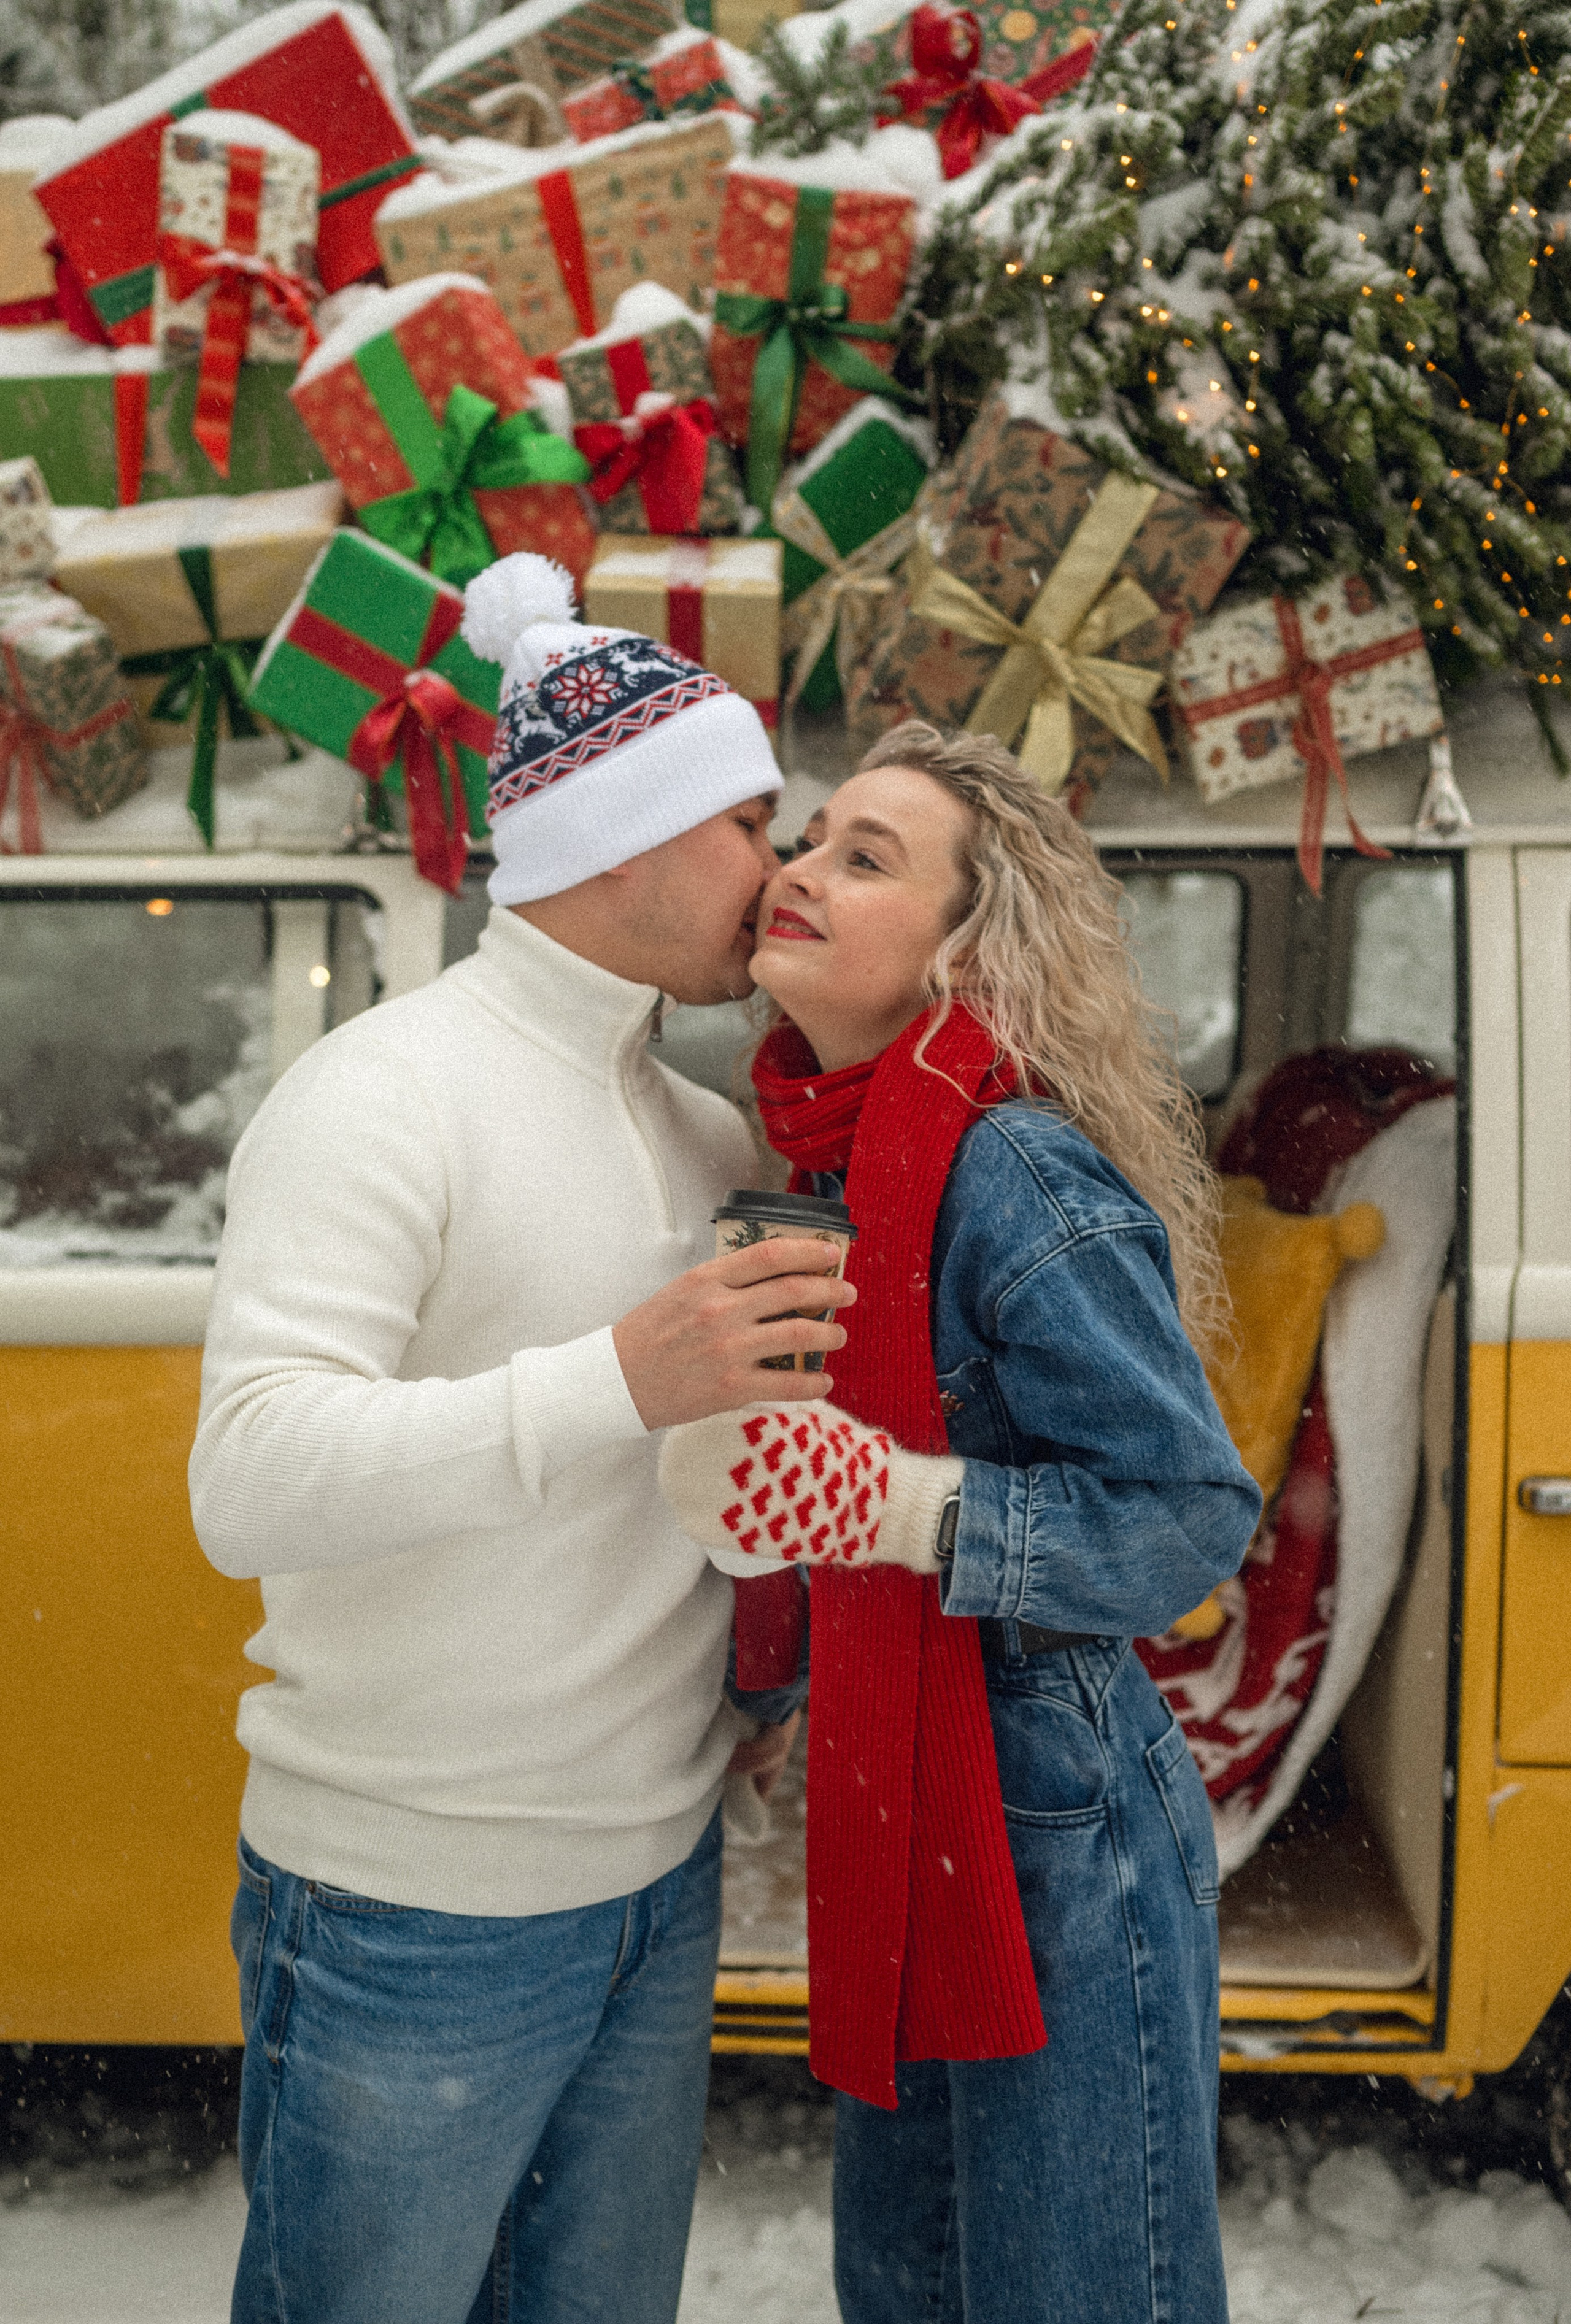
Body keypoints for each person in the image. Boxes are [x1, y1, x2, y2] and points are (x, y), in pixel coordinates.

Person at [189, 555, 843, 2324]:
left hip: (659, 1884)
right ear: (617, 843)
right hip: (416, 1908)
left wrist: (744, 1676)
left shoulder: (709, 1132)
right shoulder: (380, 1096)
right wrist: (613, 1374)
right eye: (746, 823)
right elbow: (248, 1477)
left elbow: (677, 1493)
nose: (781, 872)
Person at [660, 722, 1262, 2324]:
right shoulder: (833, 1152)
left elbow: (1188, 1512)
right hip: (909, 1778)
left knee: (1080, 2294)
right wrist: (771, 1683)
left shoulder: (1012, 1167)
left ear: (962, 947)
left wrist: (906, 1504)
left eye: (869, 856)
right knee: (916, 2286)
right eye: (812, 834)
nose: (799, 868)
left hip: (1056, 1815)